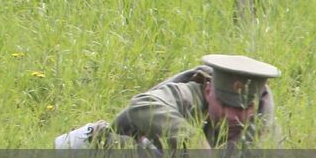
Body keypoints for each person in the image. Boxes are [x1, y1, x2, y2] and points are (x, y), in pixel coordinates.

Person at [55, 55, 281, 151]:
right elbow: (142, 105)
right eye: (225, 105)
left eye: (242, 109)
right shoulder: (190, 93)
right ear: (209, 89)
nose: (232, 116)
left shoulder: (265, 125)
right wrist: (194, 143)